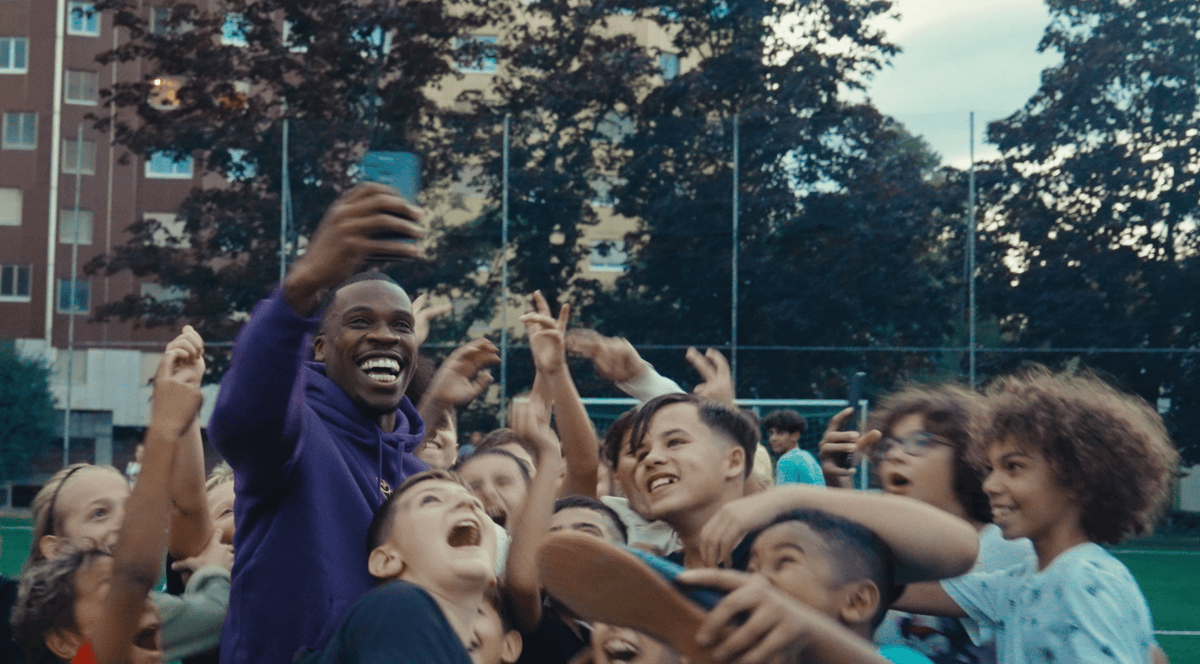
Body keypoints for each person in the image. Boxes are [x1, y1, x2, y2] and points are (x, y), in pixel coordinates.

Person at [207, 183, 500, 664]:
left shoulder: (420, 481)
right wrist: (302, 286)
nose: (385, 335)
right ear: (320, 348)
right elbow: (244, 419)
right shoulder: (297, 436)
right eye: (360, 321)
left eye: (401, 326)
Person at [891, 368, 1178, 664]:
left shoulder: (1082, 580)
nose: (990, 485)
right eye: (990, 469)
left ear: (1076, 480)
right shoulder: (1018, 583)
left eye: (1013, 467)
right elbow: (891, 588)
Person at [12, 332, 212, 664]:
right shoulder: (27, 624)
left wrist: (184, 399)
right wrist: (164, 422)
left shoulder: (158, 609)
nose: (125, 520)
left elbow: (187, 507)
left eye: (132, 507)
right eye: (99, 513)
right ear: (56, 549)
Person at [819, 385, 1034, 664]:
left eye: (920, 442)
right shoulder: (885, 546)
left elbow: (865, 583)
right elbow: (854, 581)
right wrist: (837, 482)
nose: (895, 456)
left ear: (970, 454)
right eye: (888, 446)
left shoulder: (1007, 549)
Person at [297, 469, 500, 664]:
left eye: (477, 504)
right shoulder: (402, 603)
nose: (469, 502)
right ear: (386, 561)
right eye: (431, 499)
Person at [761, 410, 823, 486]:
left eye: (780, 433)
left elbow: (784, 496)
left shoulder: (787, 460)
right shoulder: (808, 457)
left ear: (795, 436)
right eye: (771, 433)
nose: (773, 438)